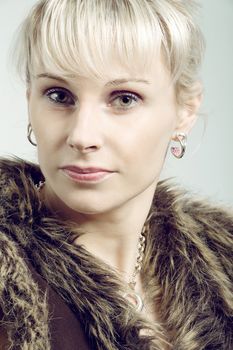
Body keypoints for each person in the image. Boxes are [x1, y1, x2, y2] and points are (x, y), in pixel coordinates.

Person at [0, 0, 232, 349]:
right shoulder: (9, 280)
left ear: (185, 111)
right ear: (30, 98)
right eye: (59, 95)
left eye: (124, 99)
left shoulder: (223, 262)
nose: (82, 136)